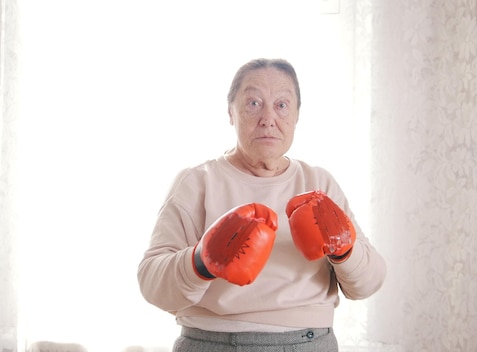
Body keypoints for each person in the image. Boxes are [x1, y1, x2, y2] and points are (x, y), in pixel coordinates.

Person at [137, 58, 386, 351]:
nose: (268, 118)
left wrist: (346, 249)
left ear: (296, 115)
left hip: (308, 343)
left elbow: (368, 284)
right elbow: (150, 283)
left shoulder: (319, 183)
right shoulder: (197, 181)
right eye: (254, 103)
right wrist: (200, 262)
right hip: (211, 342)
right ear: (231, 112)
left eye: (281, 105)